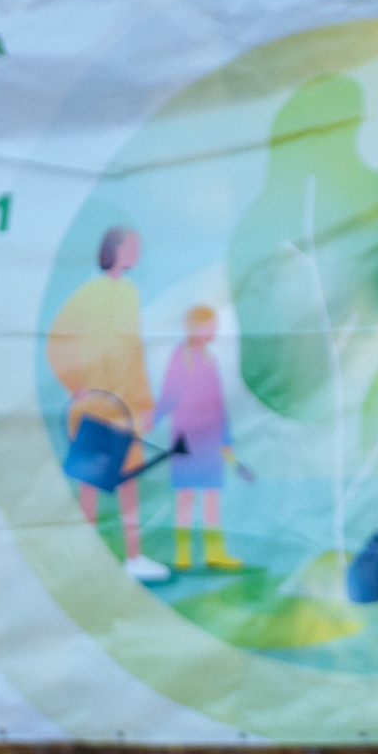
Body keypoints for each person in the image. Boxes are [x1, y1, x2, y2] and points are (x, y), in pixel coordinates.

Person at [46, 225, 170, 583]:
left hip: (126, 407)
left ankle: (133, 557)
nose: (137, 252)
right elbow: (57, 340)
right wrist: (77, 386)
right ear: (114, 249)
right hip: (97, 407)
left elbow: (134, 351)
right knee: (91, 482)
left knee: (128, 479)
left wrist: (145, 403)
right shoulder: (89, 293)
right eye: (132, 245)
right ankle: (87, 561)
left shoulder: (130, 293)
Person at [158, 304, 244, 571]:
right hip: (185, 438)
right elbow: (169, 394)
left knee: (211, 498)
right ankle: (182, 552)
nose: (215, 331)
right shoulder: (179, 356)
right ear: (197, 326)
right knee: (185, 496)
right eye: (211, 326)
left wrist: (226, 440)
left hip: (211, 440)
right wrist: (151, 419)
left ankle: (214, 552)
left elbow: (218, 403)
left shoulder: (210, 358)